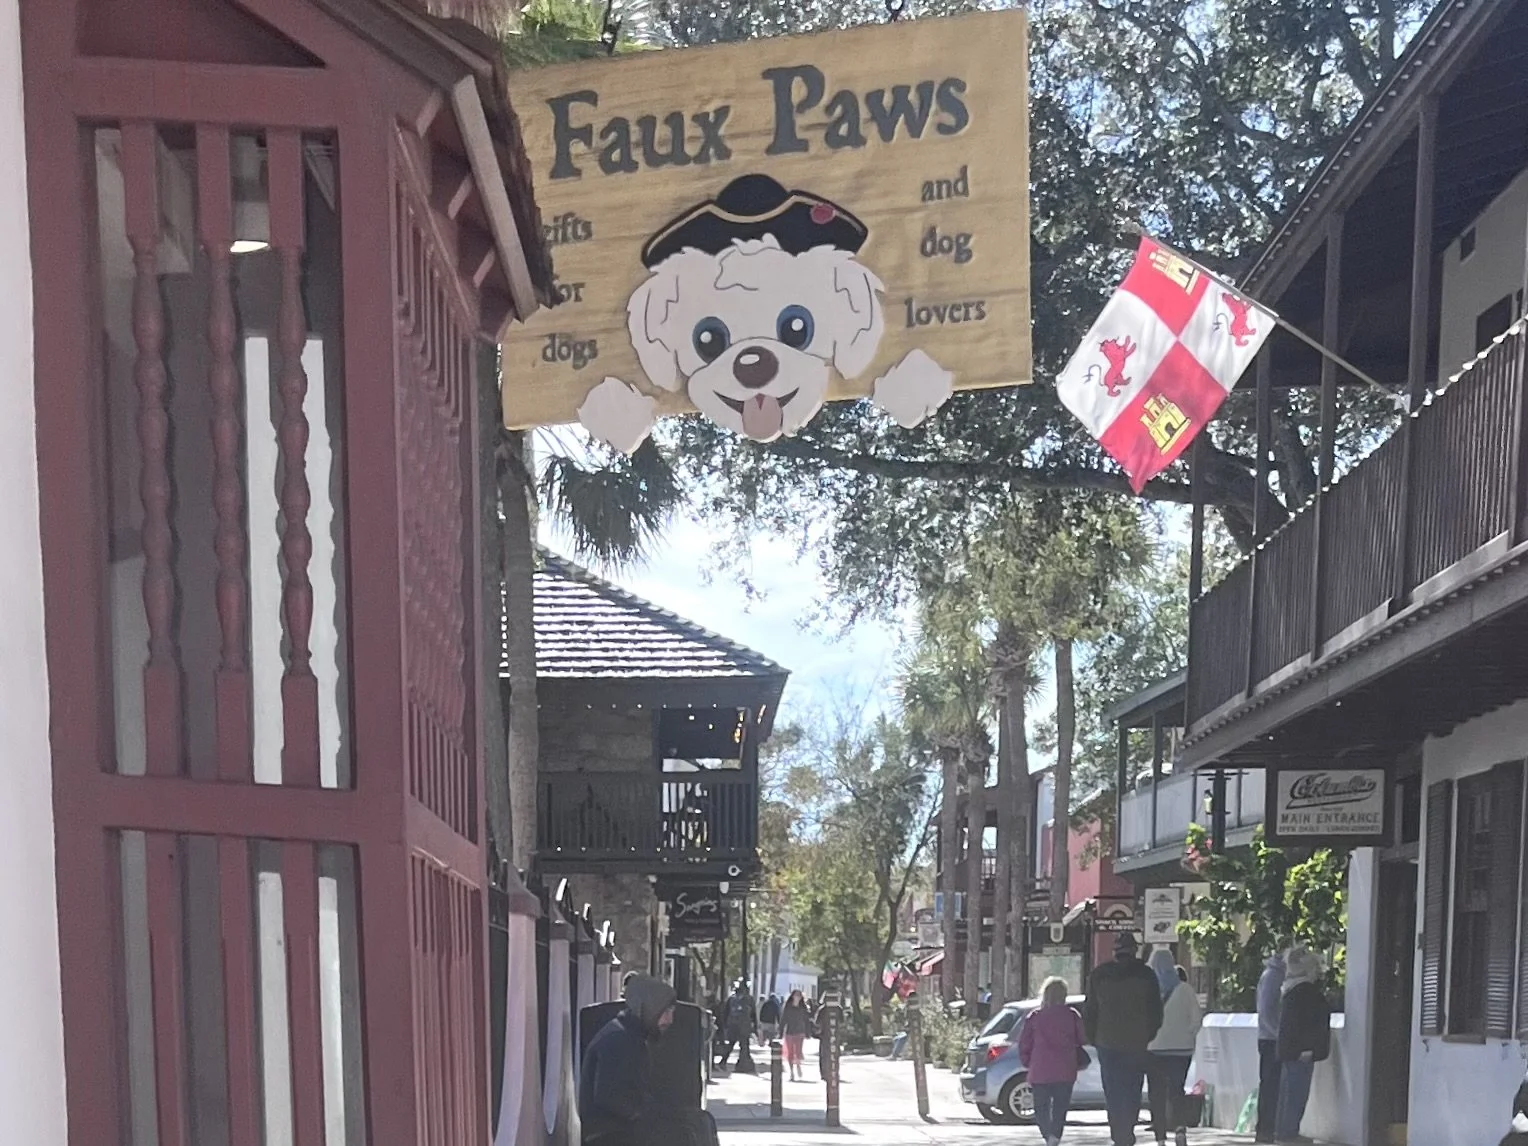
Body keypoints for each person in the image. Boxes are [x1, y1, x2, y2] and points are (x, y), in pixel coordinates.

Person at [1084, 933, 1164, 1146]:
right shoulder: (1146, 975)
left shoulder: (1099, 975)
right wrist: (1147, 1035)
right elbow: (1156, 1011)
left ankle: (1118, 1132)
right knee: (1132, 1089)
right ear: (1135, 950)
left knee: (1113, 1091)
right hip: (1136, 1042)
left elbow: (1090, 1012)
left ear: (1115, 951)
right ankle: (1127, 1130)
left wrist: (1095, 1038)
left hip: (1107, 1042)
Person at [579, 974, 678, 1146]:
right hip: (610, 1136)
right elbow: (609, 1095)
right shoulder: (620, 1038)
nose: (669, 1020)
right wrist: (643, 1115)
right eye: (665, 1012)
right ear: (649, 1007)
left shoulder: (630, 1036)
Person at [1019, 976, 1087, 1146]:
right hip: (1065, 1069)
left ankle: (1048, 1135)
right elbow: (1083, 1039)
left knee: (1041, 1107)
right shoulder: (1072, 1015)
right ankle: (1055, 1136)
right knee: (1060, 1107)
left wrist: (1028, 1062)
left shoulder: (1035, 1016)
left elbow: (1024, 1043)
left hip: (1040, 1069)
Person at [1146, 948, 1204, 1146]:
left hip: (1154, 1049)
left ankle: (1160, 1137)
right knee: (1177, 1091)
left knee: (1157, 1094)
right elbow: (1197, 1019)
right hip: (1181, 1050)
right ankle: (1180, 1129)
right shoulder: (1186, 990)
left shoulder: (1149, 990)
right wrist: (1187, 1036)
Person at [1274, 947, 1330, 1145]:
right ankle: (1289, 1133)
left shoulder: (1290, 990)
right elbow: (1308, 1024)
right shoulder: (1306, 992)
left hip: (1291, 1051)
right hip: (1301, 1053)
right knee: (1296, 1094)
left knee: (1289, 1092)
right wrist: (1307, 1049)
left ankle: (1284, 1132)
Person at [1255, 950, 1286, 1144]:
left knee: (1272, 1085)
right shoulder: (1274, 976)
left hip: (1270, 1037)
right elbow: (1266, 1010)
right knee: (1271, 1086)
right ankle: (1266, 1129)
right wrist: (1278, 1034)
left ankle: (1269, 1128)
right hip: (1271, 1040)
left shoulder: (1273, 975)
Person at [781, 989, 810, 1081]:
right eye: (796, 995)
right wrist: (780, 1031)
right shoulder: (788, 1007)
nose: (797, 997)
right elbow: (783, 1019)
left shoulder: (803, 1007)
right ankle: (792, 1072)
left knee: (798, 1051)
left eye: (799, 996)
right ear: (792, 996)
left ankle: (798, 1065)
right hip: (790, 1031)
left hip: (800, 1031)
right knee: (790, 1052)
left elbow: (806, 1020)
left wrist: (808, 1032)